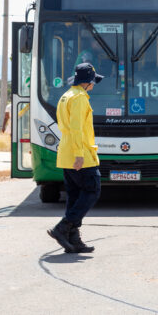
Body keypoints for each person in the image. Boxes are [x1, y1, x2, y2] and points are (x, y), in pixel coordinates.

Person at [47, 63, 104, 254]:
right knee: (92, 190)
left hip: (65, 151)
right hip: (80, 154)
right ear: (87, 82)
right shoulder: (79, 98)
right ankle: (64, 227)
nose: (94, 85)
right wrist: (80, 154)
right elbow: (77, 127)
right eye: (93, 81)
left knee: (75, 196)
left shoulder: (65, 96)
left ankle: (73, 239)